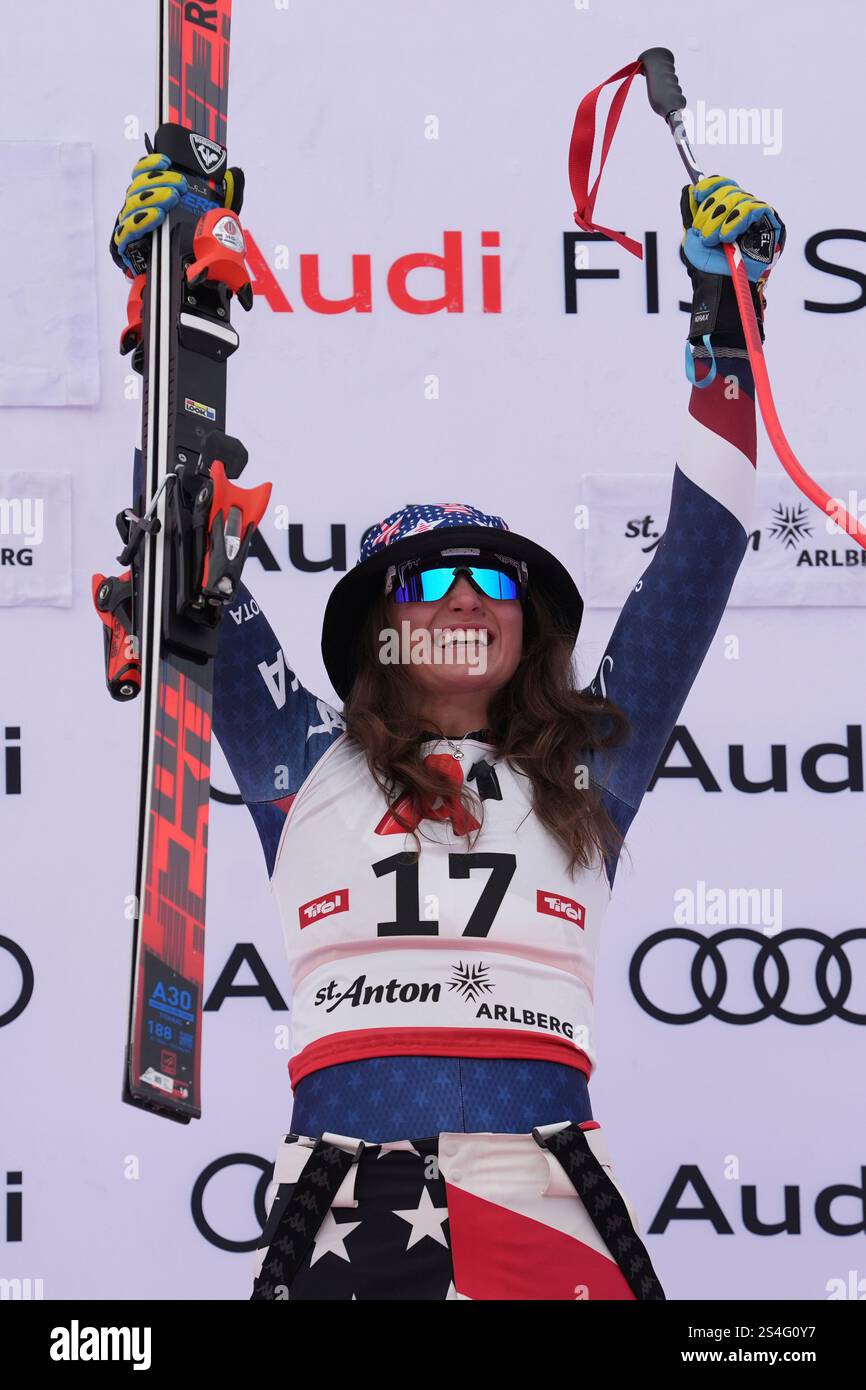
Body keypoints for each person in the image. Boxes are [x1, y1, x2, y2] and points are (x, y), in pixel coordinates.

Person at [112, 165, 784, 1299]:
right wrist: (170, 306)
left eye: (492, 578)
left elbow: (700, 551)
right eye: (428, 579)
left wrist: (729, 317)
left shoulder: (587, 770)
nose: (464, 596)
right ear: (380, 625)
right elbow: (181, 547)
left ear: (530, 627)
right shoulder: (297, 757)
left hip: (549, 1186)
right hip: (344, 1190)